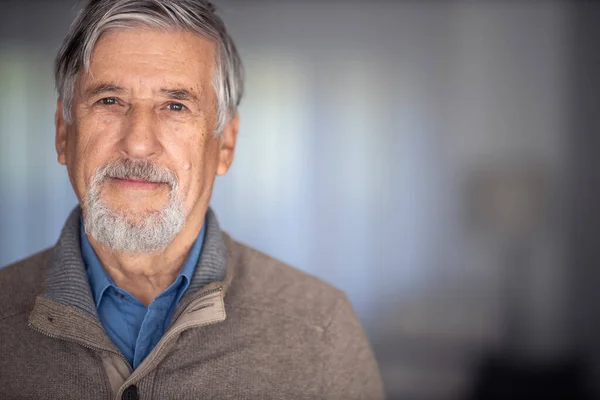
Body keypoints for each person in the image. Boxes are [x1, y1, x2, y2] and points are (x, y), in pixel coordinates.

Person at [0, 0, 384, 399]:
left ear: (226, 144)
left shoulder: (319, 327)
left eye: (175, 105)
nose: (138, 143)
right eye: (109, 101)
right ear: (64, 132)